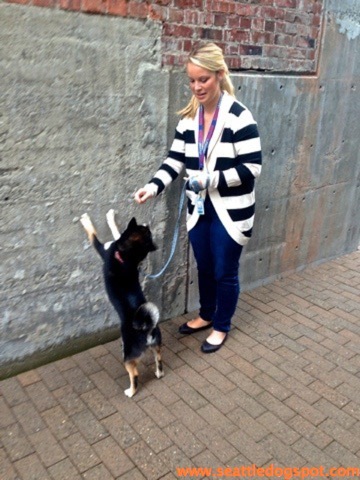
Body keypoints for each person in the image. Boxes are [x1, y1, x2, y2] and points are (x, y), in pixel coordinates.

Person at [134, 42, 262, 353]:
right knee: (204, 266)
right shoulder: (189, 119)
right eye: (191, 80)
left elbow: (253, 167)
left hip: (231, 211)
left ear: (220, 75)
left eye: (203, 79)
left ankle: (221, 325)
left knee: (223, 270)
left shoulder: (238, 117)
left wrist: (212, 179)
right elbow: (174, 160)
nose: (196, 87)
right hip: (200, 208)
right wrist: (153, 186)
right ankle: (206, 314)